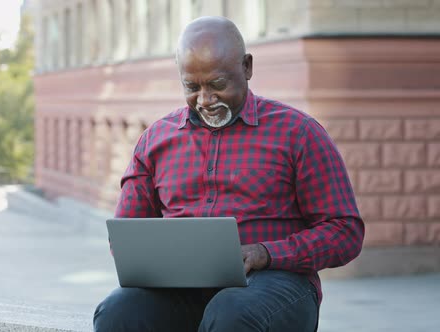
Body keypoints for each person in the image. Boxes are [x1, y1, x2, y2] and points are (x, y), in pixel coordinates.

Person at [93, 16, 364, 332]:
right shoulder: (155, 140)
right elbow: (127, 237)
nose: (205, 100)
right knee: (117, 312)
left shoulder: (299, 133)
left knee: (231, 312)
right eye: (192, 87)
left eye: (217, 84)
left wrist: (265, 253)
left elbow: (345, 232)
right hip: (181, 291)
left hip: (274, 285)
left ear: (247, 67)